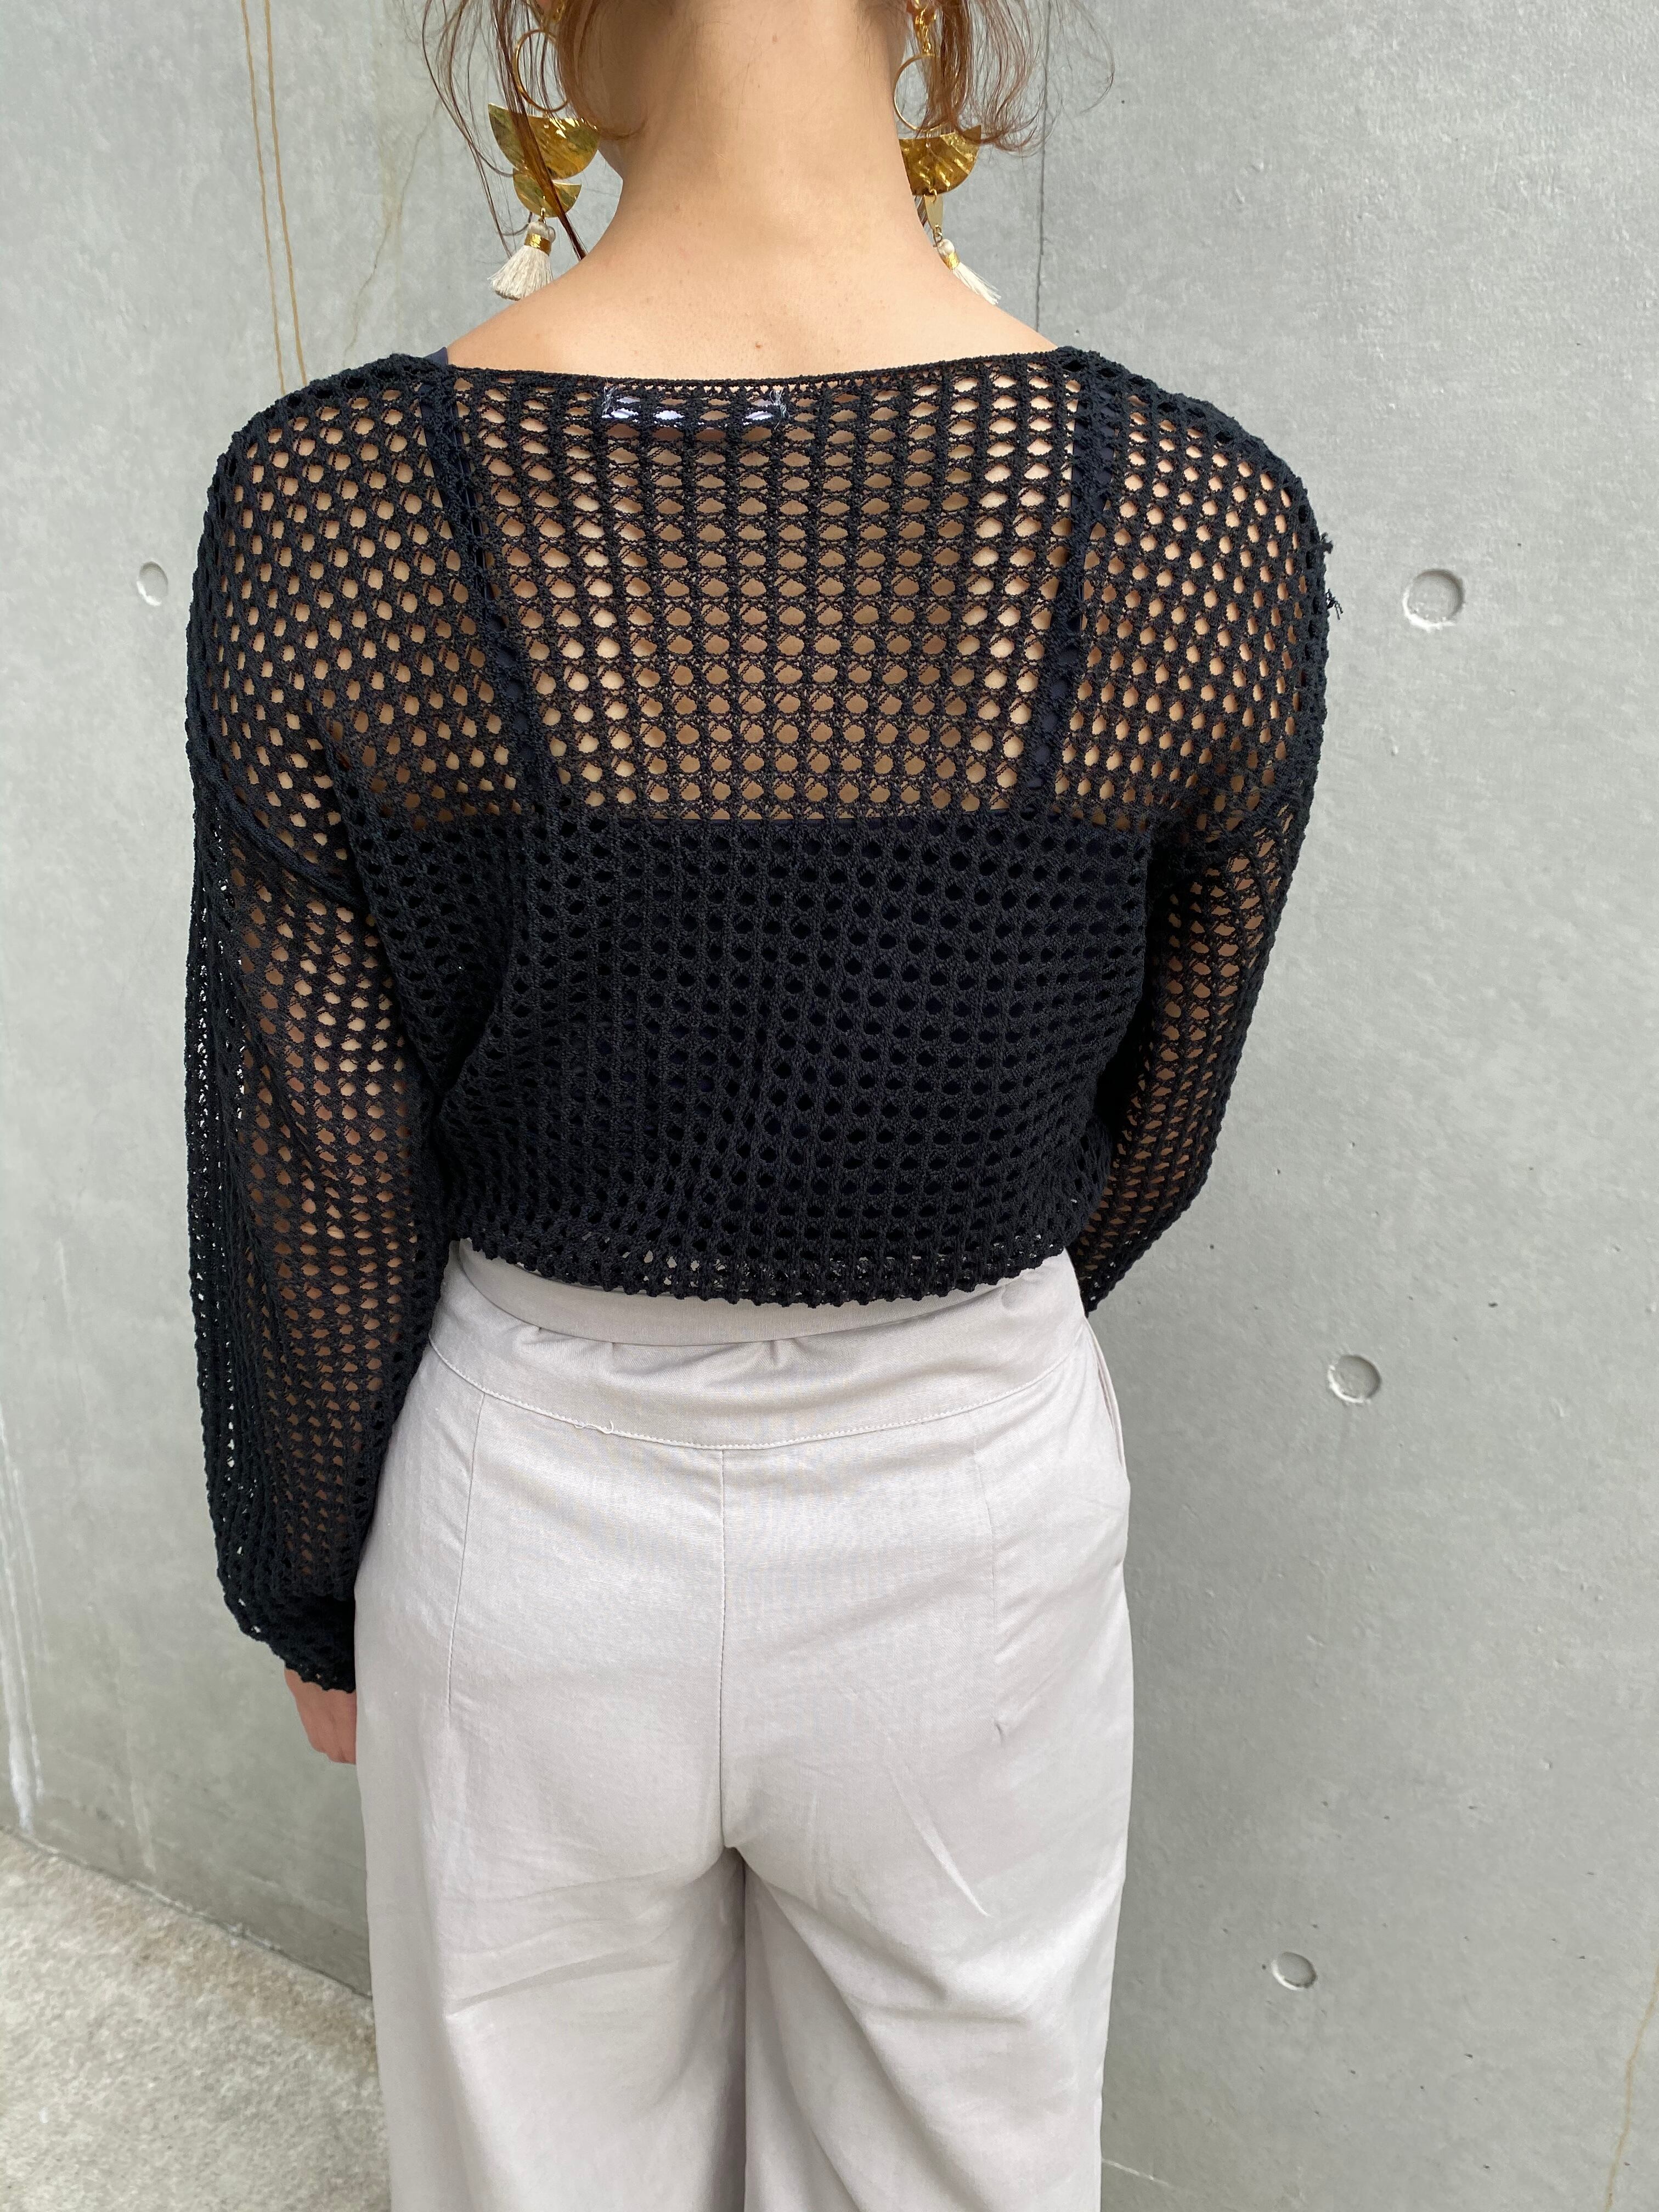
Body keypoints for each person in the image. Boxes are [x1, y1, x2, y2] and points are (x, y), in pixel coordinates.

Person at [180, 1, 1331, 2204]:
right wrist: (944, 1304)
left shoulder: (340, 509)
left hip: (531, 1505)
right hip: (971, 1497)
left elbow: (310, 1156)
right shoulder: (1199, 523)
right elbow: (1164, 1105)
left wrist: (312, 1582)